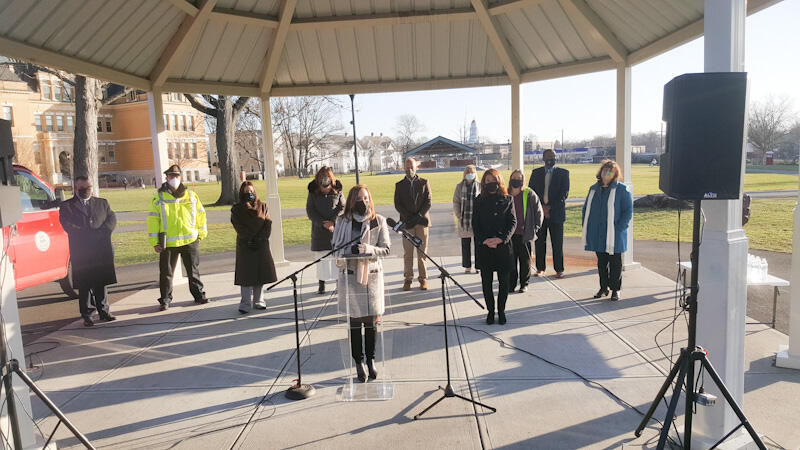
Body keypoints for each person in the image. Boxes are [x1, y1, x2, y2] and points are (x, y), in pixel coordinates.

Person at [332, 185, 391, 382]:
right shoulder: (342, 221)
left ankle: (371, 360)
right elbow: (335, 247)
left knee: (371, 323)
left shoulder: (379, 221)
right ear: (351, 201)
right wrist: (348, 250)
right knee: (356, 323)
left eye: (365, 198)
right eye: (358, 198)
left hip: (372, 278)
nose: (363, 202)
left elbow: (386, 249)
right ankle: (358, 362)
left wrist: (368, 249)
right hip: (350, 276)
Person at [147, 165, 209, 311]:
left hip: (190, 240)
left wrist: (201, 232)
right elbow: (153, 220)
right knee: (166, 273)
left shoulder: (191, 195)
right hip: (168, 242)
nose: (174, 179)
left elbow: (201, 214)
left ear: (180, 177)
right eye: (171, 176)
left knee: (193, 271)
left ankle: (199, 295)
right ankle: (165, 300)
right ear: (166, 178)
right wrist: (154, 242)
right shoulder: (159, 197)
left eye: (176, 176)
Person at [59, 176, 117, 327]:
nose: (86, 191)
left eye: (88, 188)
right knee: (85, 284)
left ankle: (104, 311)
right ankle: (87, 314)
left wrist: (100, 233)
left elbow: (111, 219)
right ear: (76, 189)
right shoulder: (67, 206)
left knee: (101, 282)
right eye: (82, 189)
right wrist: (87, 235)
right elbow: (68, 225)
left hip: (100, 249)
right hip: (82, 250)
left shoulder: (102, 203)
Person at [581, 160, 633, 301]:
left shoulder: (622, 190)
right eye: (605, 170)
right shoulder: (593, 189)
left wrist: (620, 227)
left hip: (614, 234)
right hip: (598, 233)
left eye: (610, 171)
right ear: (601, 172)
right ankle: (604, 288)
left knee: (615, 263)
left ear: (615, 173)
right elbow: (586, 209)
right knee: (602, 263)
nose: (607, 173)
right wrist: (586, 226)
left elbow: (628, 211)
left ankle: (615, 289)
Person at [472, 169, 516, 325]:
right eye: (488, 180)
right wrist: (484, 240)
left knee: (504, 283)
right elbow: (475, 224)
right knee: (486, 283)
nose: (491, 183)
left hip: (503, 247)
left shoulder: (508, 199)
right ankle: (490, 312)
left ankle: (501, 311)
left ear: (500, 181)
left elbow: (512, 222)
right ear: (484, 183)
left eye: (494, 180)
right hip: (485, 248)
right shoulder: (478, 201)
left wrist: (501, 239)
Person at [232, 182, 278, 313]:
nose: (249, 194)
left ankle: (259, 300)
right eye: (246, 191)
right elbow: (238, 226)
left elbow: (267, 224)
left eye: (251, 191)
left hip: (261, 245)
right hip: (245, 245)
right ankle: (245, 303)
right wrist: (249, 239)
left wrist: (260, 239)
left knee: (260, 274)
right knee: (246, 276)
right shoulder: (236, 209)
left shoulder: (262, 206)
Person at [529, 149, 570, 278]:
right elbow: (531, 192)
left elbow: (564, 193)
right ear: (543, 158)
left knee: (557, 243)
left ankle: (559, 269)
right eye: (548, 157)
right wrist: (542, 208)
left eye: (553, 157)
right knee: (539, 242)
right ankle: (540, 268)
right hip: (539, 214)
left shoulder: (563, 173)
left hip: (556, 213)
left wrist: (549, 207)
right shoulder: (536, 173)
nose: (550, 159)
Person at [394, 157, 432, 291]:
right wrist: (408, 217)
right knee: (408, 253)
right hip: (407, 223)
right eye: (407, 166)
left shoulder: (424, 182)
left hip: (421, 223)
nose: (409, 168)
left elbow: (428, 201)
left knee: (422, 253)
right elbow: (397, 204)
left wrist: (419, 216)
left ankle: (423, 279)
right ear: (403, 167)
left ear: (417, 167)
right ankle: (408, 278)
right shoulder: (399, 185)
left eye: (411, 166)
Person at [306, 166, 345, 294]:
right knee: (321, 259)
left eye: (327, 176)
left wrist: (333, 221)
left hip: (335, 230)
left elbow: (342, 207)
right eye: (322, 176)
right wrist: (323, 223)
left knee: (336, 258)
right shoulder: (312, 192)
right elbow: (310, 211)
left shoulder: (338, 190)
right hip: (319, 230)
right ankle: (321, 284)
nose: (325, 180)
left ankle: (338, 282)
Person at [507, 169, 543, 293]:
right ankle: (511, 284)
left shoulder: (529, 193)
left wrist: (534, 228)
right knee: (511, 262)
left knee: (525, 261)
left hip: (524, 234)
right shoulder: (506, 194)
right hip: (509, 235)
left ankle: (524, 284)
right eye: (514, 177)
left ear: (522, 180)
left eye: (519, 178)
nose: (516, 180)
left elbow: (539, 212)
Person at [452, 165, 480, 273]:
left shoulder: (479, 186)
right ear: (464, 174)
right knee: (465, 245)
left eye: (472, 172)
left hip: (477, 220)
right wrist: (459, 215)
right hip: (464, 220)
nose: (470, 175)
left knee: (478, 245)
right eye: (468, 172)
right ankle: (467, 265)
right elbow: (456, 202)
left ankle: (478, 265)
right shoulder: (459, 186)